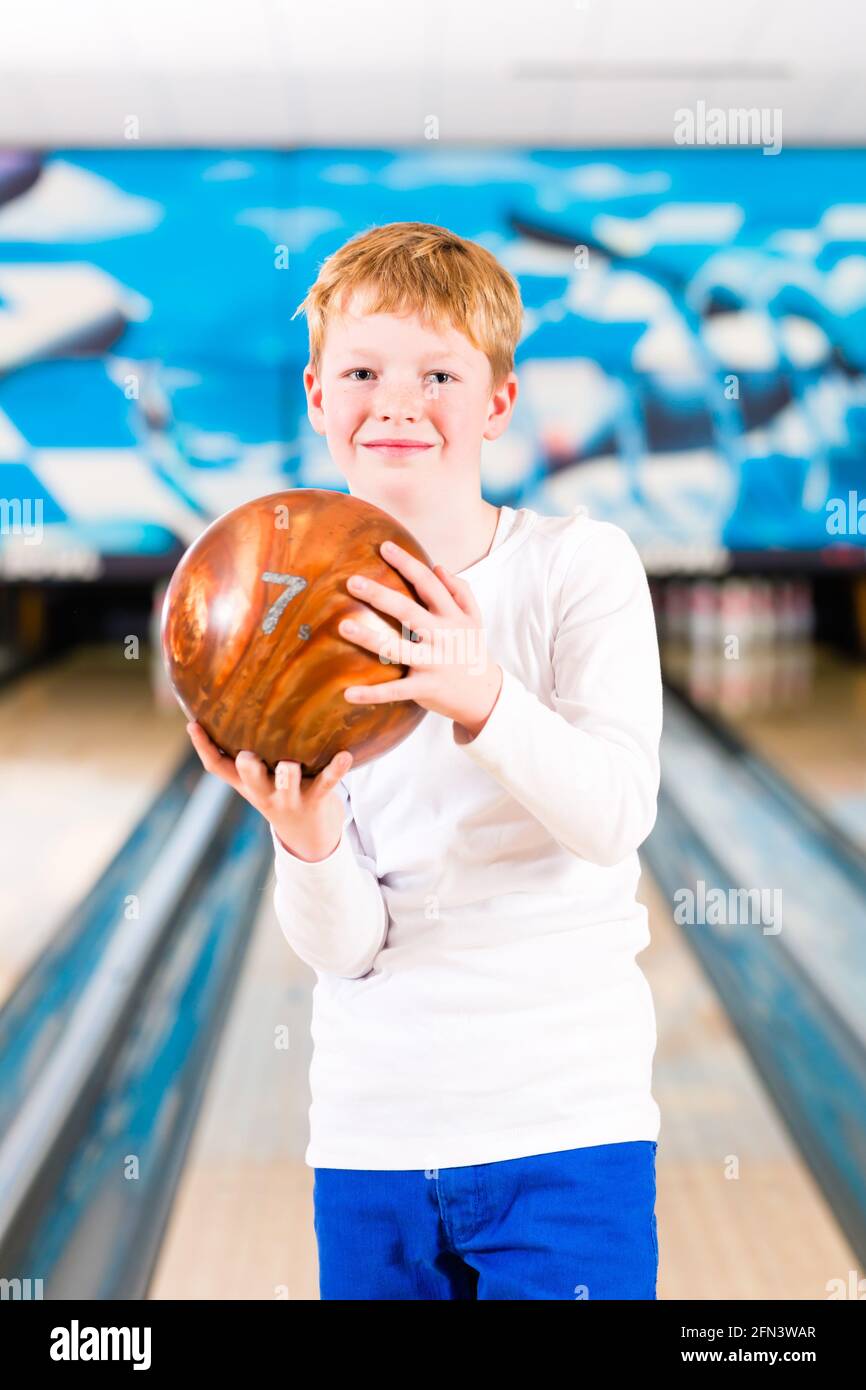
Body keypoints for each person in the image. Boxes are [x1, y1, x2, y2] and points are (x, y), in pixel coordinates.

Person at [188, 221, 663, 1300]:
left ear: (495, 400)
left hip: (566, 1133)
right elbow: (346, 950)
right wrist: (304, 840)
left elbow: (611, 815)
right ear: (316, 393)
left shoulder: (574, 567)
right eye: (361, 370)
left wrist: (481, 697)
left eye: (436, 373)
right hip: (371, 1142)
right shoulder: (285, 632)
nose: (396, 401)